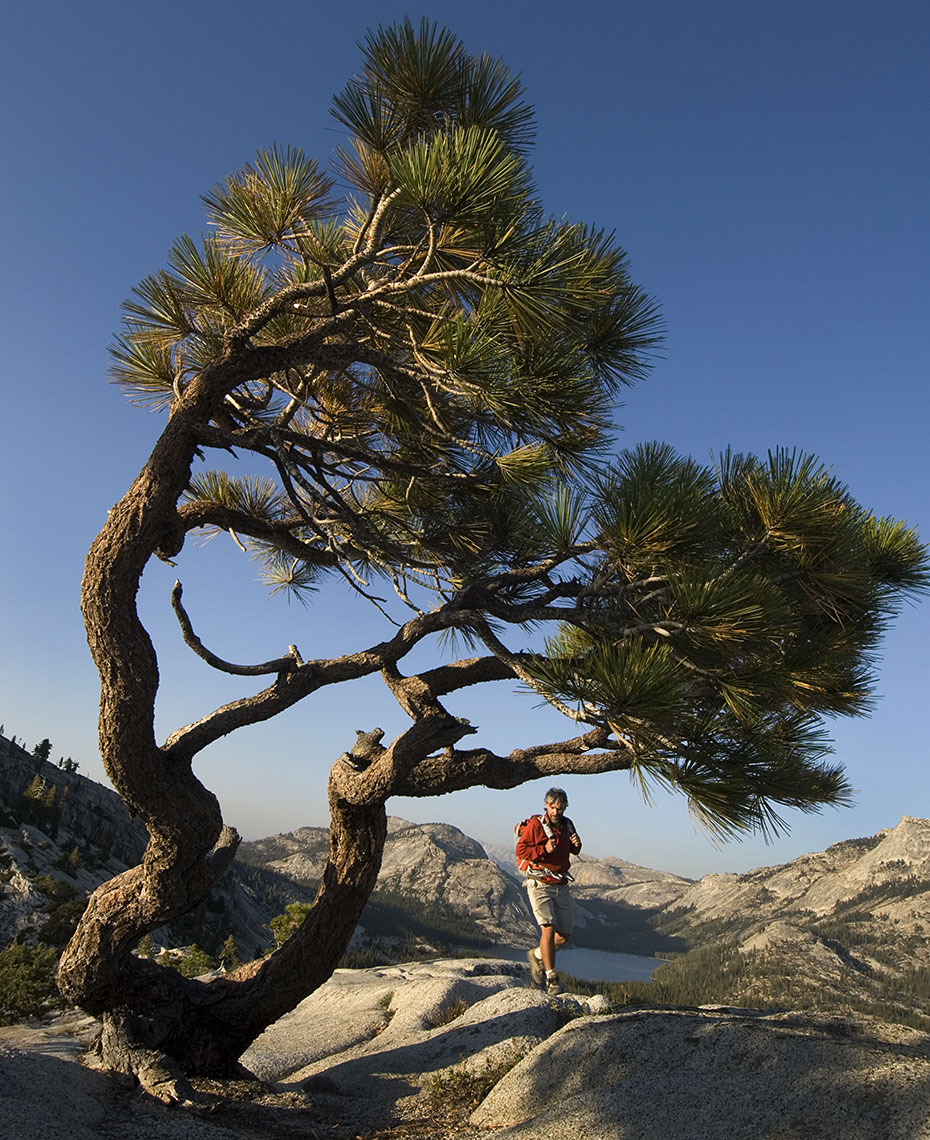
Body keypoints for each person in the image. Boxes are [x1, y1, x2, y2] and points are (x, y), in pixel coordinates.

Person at [516, 787, 581, 994]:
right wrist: (544, 849)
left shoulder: (568, 825)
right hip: (540, 883)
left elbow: (572, 850)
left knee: (564, 935)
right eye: (552, 807)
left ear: (565, 808)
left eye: (560, 808)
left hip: (560, 885)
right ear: (546, 805)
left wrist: (576, 846)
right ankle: (551, 977)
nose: (555, 812)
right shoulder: (536, 825)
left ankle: (536, 955)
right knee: (548, 928)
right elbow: (521, 850)